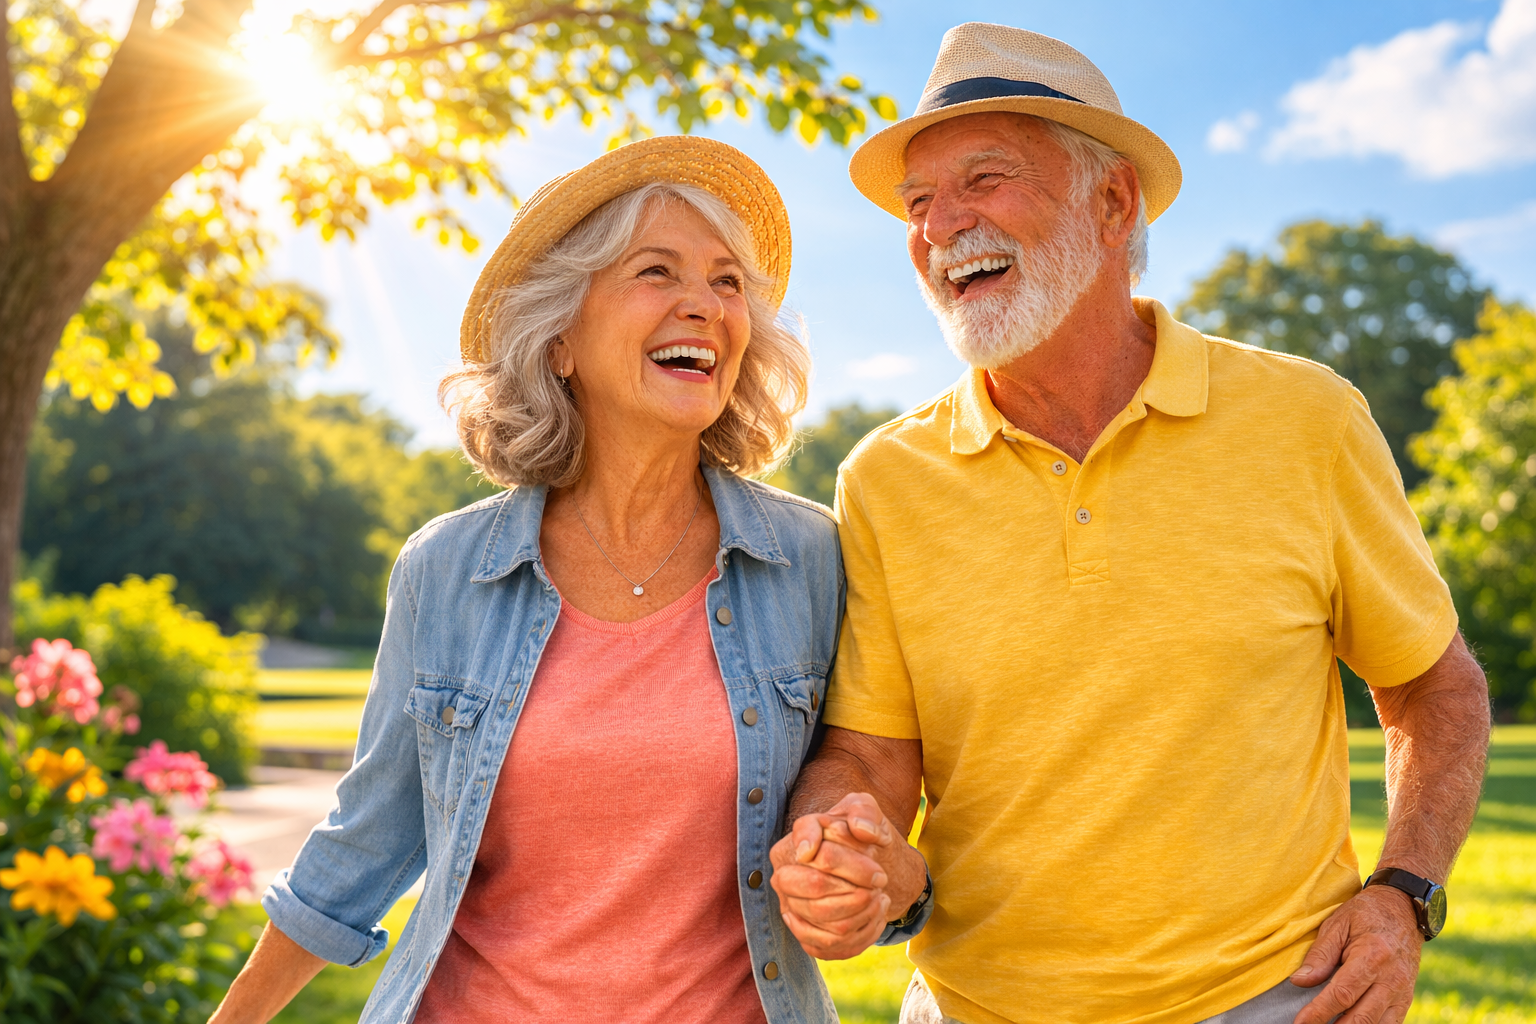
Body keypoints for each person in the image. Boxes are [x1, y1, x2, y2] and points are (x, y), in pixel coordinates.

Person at [768, 22, 1492, 1024]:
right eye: (919, 204)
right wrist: (843, 833)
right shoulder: (888, 478)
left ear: (1115, 203)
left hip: (1275, 1000)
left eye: (986, 179)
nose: (941, 227)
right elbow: (871, 756)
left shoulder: (1307, 419)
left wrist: (1404, 895)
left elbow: (1433, 685)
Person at [208, 136, 846, 1024]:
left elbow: (869, 807)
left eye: (728, 281)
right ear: (558, 343)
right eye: (656, 272)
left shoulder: (813, 561)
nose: (704, 305)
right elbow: (370, 835)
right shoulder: (448, 570)